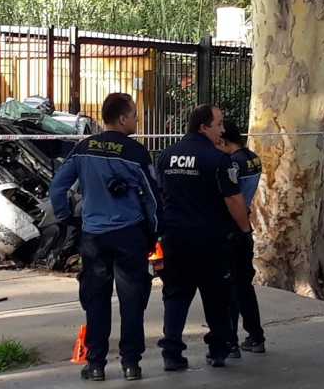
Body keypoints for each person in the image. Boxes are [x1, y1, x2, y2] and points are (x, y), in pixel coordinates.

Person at [48, 92, 158, 382]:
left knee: (96, 300)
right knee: (132, 300)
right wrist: (155, 232)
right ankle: (131, 364)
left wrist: (66, 218)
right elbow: (154, 199)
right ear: (122, 119)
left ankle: (95, 364)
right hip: (129, 235)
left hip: (93, 236)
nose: (137, 119)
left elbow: (58, 187)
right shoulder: (136, 153)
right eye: (134, 115)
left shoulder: (83, 148)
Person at [156, 105, 253, 371]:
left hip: (175, 237)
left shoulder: (166, 156)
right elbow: (234, 199)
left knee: (176, 296)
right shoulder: (218, 159)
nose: (223, 130)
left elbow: (159, 194)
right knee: (216, 296)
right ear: (203, 127)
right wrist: (245, 231)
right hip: (211, 239)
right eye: (219, 124)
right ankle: (218, 350)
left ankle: (172, 353)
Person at [215, 120, 265, 357]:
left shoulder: (231, 163)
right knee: (243, 286)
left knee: (229, 288)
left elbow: (229, 197)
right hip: (245, 223)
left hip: (231, 226)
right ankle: (255, 336)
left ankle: (230, 341)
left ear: (224, 141)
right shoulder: (253, 158)